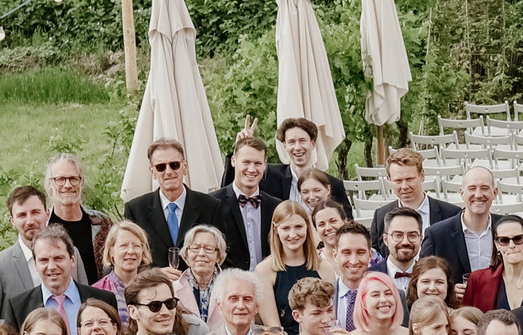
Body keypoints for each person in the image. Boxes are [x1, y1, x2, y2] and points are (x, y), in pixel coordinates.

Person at [123, 139, 246, 271]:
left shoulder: (211, 207)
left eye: (174, 165)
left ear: (185, 167)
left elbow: (224, 258)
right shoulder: (136, 210)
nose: (168, 171)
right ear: (152, 171)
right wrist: (156, 274)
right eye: (161, 167)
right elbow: (129, 261)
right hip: (153, 283)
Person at [0, 187, 53, 332]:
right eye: (22, 215)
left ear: (47, 213)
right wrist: (24, 326)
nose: (30, 221)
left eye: (35, 212)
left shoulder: (71, 254)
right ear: (12, 220)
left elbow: (84, 306)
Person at [8, 227, 113, 333]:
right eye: (44, 260)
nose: (51, 266)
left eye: (58, 258)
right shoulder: (18, 308)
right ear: (35, 264)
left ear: (72, 260)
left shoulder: (104, 300)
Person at [44, 152, 115, 284]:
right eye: (60, 179)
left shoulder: (102, 224)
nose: (67, 185)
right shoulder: (43, 227)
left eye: (73, 178)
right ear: (50, 184)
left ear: (81, 183)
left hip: (98, 296)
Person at [419, 163, 495, 284]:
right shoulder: (436, 235)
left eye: (485, 188)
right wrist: (450, 291)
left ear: (495, 192)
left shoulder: (507, 229)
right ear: (462, 192)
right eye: (472, 188)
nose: (478, 194)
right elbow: (422, 280)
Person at [212, 133, 275, 274]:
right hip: (228, 281)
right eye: (246, 162)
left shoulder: (275, 206)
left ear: (265, 165)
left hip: (268, 282)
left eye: (258, 163)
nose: (252, 169)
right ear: (233, 161)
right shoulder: (213, 204)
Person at [259, 117, 352, 211]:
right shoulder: (269, 176)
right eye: (291, 142)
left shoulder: (334, 184)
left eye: (302, 141)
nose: (297, 147)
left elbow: (346, 218)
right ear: (285, 146)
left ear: (313, 143)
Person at [257, 199, 321, 333]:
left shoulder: (323, 267)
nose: (292, 234)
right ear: (276, 229)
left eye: (298, 227)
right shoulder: (264, 271)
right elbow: (274, 328)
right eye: (285, 228)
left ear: (307, 226)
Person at [194, 268, 265, 335]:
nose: (240, 306)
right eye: (233, 298)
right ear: (219, 304)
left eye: (247, 299)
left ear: (256, 306)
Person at [464, 214, 523, 313]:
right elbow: (466, 318)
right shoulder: (478, 280)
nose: (511, 245)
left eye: (518, 239)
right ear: (497, 245)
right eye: (504, 241)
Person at [171, 225, 230, 326]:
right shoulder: (172, 290)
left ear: (218, 256)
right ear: (186, 256)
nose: (201, 253)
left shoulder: (233, 287)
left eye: (209, 248)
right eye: (195, 248)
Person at [92, 219, 152, 317]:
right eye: (123, 246)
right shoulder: (97, 292)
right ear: (111, 251)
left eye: (136, 246)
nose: (131, 251)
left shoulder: (152, 287)